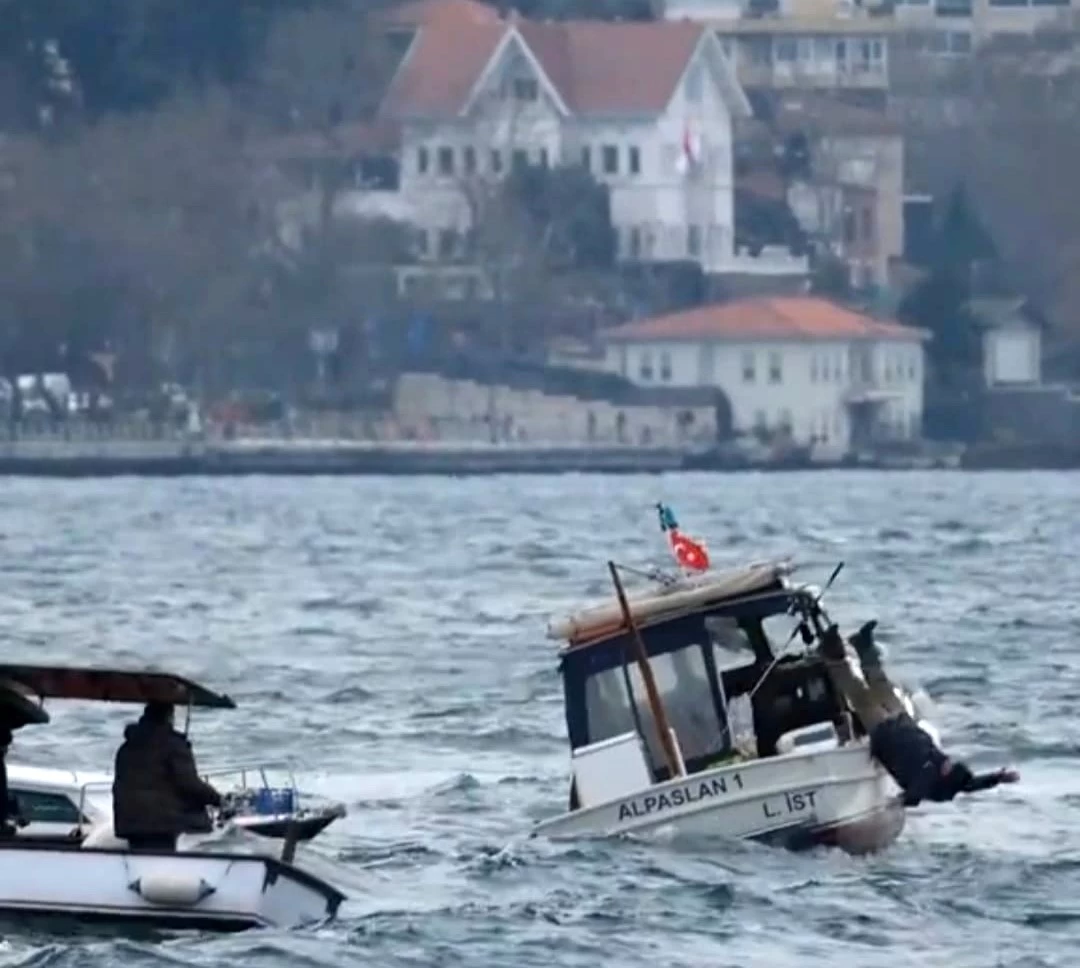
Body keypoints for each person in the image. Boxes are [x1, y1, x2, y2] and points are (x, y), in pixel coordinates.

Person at [820, 620, 1019, 807]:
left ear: (944, 776)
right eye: (950, 762)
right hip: (904, 723)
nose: (947, 761)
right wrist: (998, 778)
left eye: (948, 766)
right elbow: (972, 784)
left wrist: (896, 802)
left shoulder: (927, 780)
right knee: (881, 685)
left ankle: (832, 654)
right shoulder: (951, 775)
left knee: (859, 694)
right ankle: (863, 646)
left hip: (887, 734)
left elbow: (913, 797)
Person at [112, 700, 223, 852]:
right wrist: (218, 799)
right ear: (169, 717)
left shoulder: (126, 747)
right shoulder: (173, 744)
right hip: (164, 824)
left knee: (143, 861)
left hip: (130, 822)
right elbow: (189, 783)